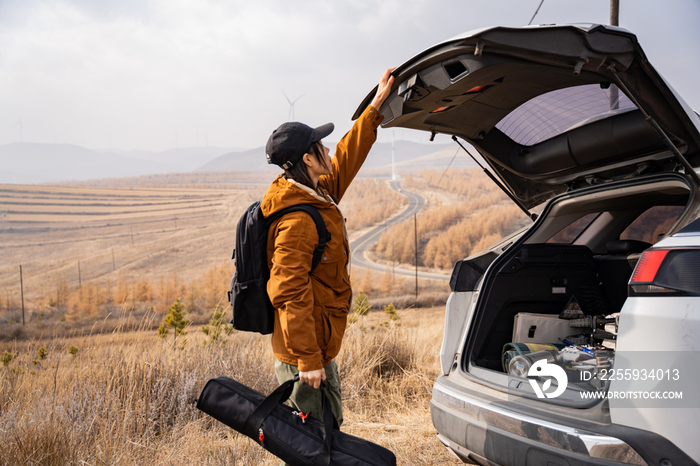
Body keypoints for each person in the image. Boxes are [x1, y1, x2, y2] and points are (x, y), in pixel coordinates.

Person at [261, 68, 394, 437]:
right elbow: (288, 291)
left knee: (328, 432)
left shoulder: (314, 192)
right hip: (304, 353)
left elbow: (347, 157)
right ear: (307, 159)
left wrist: (374, 108)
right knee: (314, 440)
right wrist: (307, 360)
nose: (328, 149)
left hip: (317, 344)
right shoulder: (299, 220)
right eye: (320, 146)